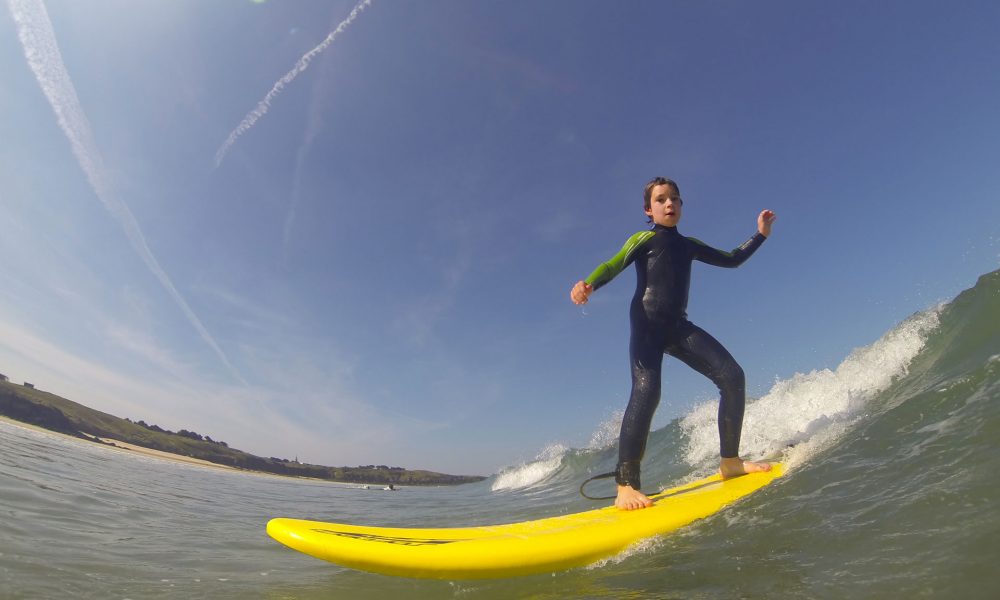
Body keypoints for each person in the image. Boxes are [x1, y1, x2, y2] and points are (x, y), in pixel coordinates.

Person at [570, 177, 776, 511]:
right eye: (661, 199)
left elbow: (732, 258)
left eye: (675, 199)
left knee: (732, 376)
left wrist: (761, 235)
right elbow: (613, 264)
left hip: (678, 327)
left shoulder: (688, 245)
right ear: (648, 210)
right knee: (647, 390)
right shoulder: (643, 239)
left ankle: (730, 462)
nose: (670, 204)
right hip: (647, 327)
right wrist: (590, 284)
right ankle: (626, 485)